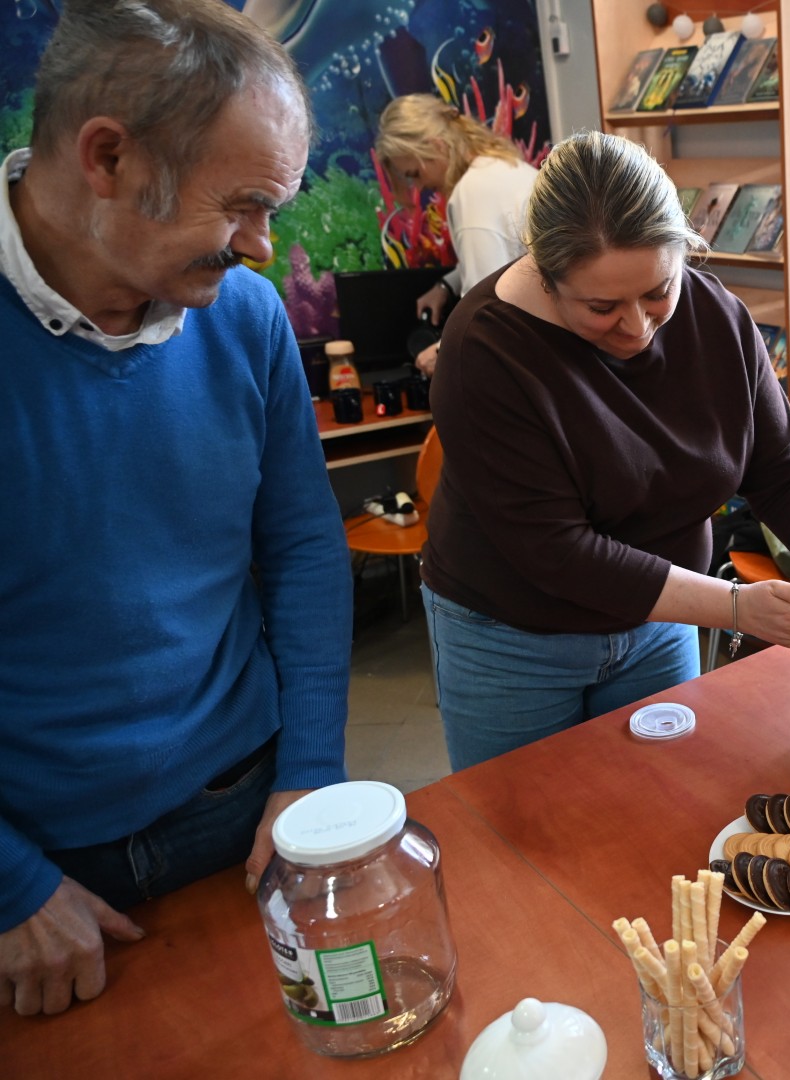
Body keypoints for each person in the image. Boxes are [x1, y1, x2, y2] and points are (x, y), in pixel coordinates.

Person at [0, 0, 351, 1016]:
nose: (265, 248)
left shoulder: (244, 317)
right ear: (106, 157)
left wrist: (310, 774)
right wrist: (12, 885)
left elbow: (302, 548)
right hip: (36, 861)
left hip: (239, 803)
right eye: (242, 205)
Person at [422, 131, 790, 771]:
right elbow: (558, 554)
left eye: (659, 290)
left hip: (660, 620)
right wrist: (735, 607)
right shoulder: (483, 353)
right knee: (522, 819)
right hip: (511, 640)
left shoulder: (717, 317)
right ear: (545, 276)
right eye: (601, 306)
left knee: (665, 797)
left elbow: (781, 475)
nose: (637, 327)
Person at [374, 93, 539, 375]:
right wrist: (446, 285)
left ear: (437, 146)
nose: (419, 187)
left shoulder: (473, 193)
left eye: (415, 174)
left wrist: (441, 352)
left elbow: (485, 312)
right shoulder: (501, 166)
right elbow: (507, 258)